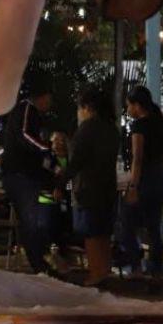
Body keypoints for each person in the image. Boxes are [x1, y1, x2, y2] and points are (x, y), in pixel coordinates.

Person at [61, 87, 119, 287]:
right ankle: (104, 271)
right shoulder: (111, 128)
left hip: (88, 187)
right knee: (103, 233)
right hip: (107, 186)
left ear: (87, 107)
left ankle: (95, 274)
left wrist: (61, 182)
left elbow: (76, 161)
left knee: (91, 233)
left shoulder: (86, 129)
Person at [0, 76, 58, 276]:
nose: (49, 103)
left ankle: (39, 261)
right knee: (31, 219)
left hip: (28, 176)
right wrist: (46, 149)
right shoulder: (26, 109)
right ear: (41, 97)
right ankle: (38, 264)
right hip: (21, 175)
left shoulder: (30, 113)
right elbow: (24, 135)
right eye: (48, 98)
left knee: (36, 218)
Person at [118, 85, 163, 282]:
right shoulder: (161, 123)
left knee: (126, 223)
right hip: (160, 178)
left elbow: (137, 158)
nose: (128, 109)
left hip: (145, 178)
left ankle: (136, 264)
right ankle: (155, 270)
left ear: (137, 105)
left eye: (129, 105)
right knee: (153, 227)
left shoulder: (139, 126)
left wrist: (133, 186)